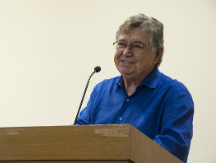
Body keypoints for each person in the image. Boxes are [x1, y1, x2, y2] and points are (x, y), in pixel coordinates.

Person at [75, 14, 194, 163]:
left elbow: (171, 151)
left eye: (137, 46)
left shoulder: (175, 94)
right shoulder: (101, 90)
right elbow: (77, 138)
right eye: (121, 44)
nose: (126, 52)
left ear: (157, 54)